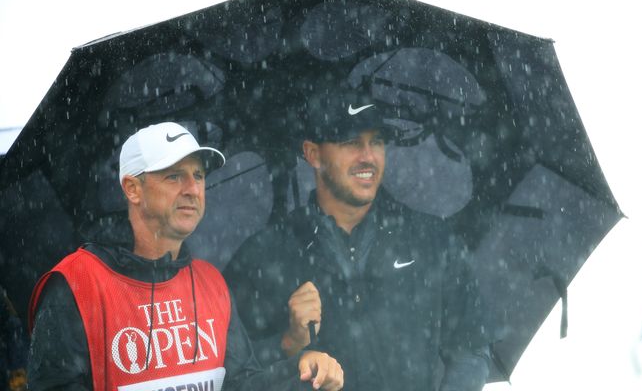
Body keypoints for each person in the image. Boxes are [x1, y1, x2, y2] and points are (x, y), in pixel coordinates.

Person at [27, 122, 343, 391]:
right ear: (133, 189)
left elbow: (238, 383)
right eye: (174, 176)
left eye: (199, 175)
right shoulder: (77, 284)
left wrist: (299, 368)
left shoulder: (210, 282)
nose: (193, 188)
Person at [224, 85, 491, 391]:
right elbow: (234, 376)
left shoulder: (431, 239)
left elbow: (471, 348)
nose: (368, 157)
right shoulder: (264, 254)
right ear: (313, 154)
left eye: (376, 141)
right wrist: (287, 342)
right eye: (351, 142)